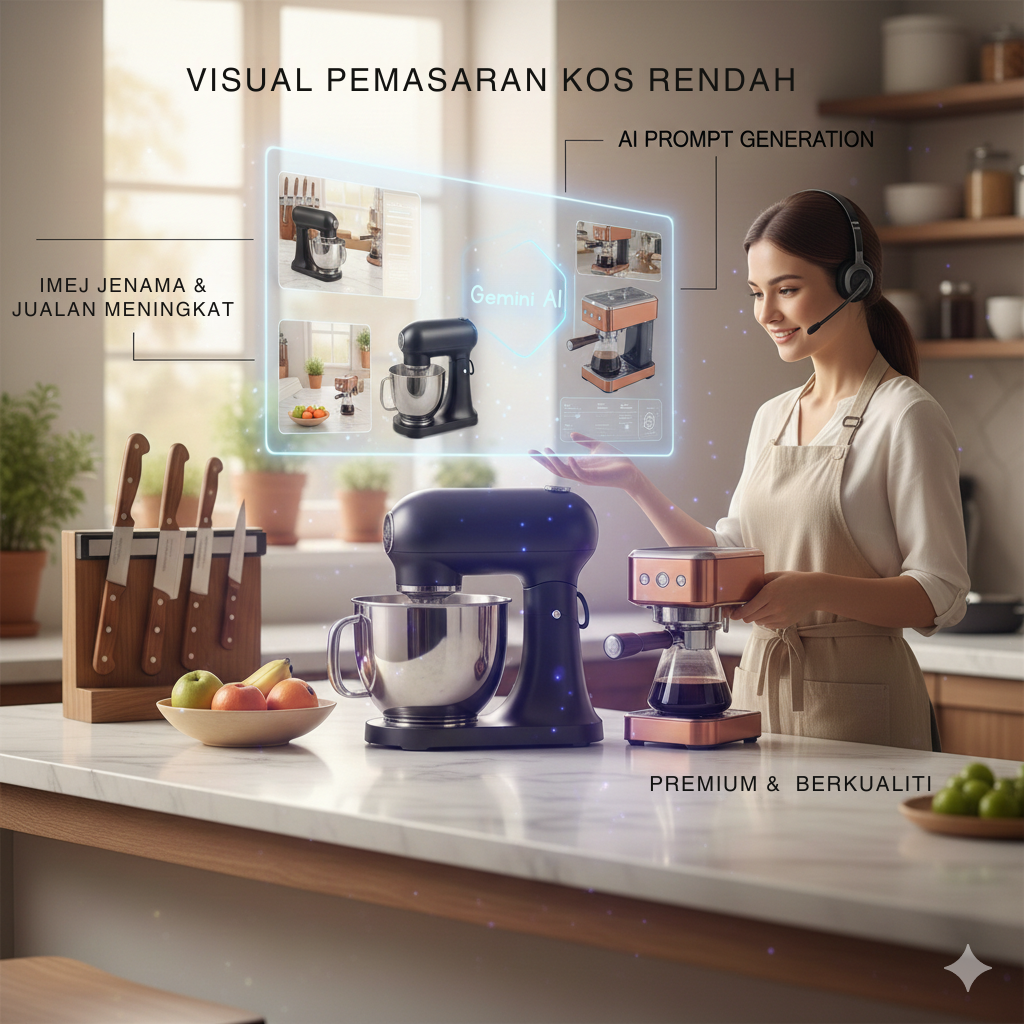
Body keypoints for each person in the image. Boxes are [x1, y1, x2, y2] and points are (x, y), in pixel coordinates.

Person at [531, 190, 969, 751]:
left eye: (787, 290)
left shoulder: (906, 415)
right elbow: (726, 559)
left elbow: (941, 592)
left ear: (856, 282)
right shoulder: (773, 417)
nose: (766, 314)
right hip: (758, 691)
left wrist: (817, 591)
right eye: (758, 293)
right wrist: (635, 485)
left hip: (864, 710)